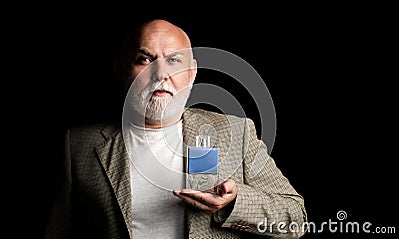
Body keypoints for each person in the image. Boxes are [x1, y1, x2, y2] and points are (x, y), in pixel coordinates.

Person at [45, 19, 307, 239]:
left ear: (191, 73)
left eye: (174, 60)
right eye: (144, 59)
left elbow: (296, 219)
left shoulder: (236, 133)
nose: (160, 73)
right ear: (122, 70)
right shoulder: (77, 145)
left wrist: (234, 203)